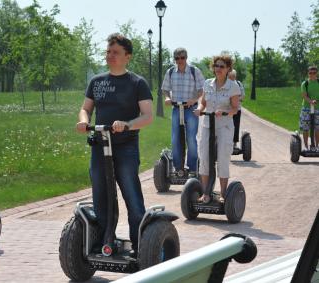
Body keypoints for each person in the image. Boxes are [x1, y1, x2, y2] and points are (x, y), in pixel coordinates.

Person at [76, 33, 153, 253]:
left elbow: (147, 116)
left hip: (125, 147)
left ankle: (141, 246)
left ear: (127, 56)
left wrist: (127, 124)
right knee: (100, 194)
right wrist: (83, 121)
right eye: (108, 52)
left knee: (130, 192)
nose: (110, 56)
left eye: (115, 52)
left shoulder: (137, 83)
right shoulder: (97, 82)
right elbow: (86, 109)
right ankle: (103, 241)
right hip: (100, 145)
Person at [194, 55, 240, 203]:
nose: (218, 69)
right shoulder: (207, 83)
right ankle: (205, 193)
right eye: (216, 66)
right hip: (207, 124)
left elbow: (235, 108)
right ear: (213, 68)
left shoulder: (233, 86)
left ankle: (223, 194)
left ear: (228, 69)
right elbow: (203, 103)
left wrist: (224, 111)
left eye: (222, 66)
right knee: (205, 158)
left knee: (222, 158)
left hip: (224, 126)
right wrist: (199, 109)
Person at [161, 48, 205, 176]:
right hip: (176, 109)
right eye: (177, 58)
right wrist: (168, 98)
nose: (180, 60)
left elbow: (202, 89)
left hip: (190, 109)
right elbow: (165, 89)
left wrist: (194, 99)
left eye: (182, 58)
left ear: (186, 57)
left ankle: (192, 168)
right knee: (175, 138)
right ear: (174, 59)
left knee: (191, 138)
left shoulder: (194, 71)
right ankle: (178, 167)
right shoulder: (170, 72)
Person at [300, 66, 319, 150]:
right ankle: (306, 146)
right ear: (308, 73)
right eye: (310, 73)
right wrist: (311, 101)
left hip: (318, 108)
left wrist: (316, 101)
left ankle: (316, 146)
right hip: (306, 108)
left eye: (314, 73)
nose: (312, 75)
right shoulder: (305, 83)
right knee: (305, 128)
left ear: (317, 73)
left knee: (317, 128)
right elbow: (304, 96)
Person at [228, 69, 245, 149]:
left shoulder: (238, 84)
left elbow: (243, 96)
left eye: (233, 77)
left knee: (235, 126)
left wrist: (237, 99)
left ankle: (234, 143)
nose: (232, 78)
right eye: (230, 77)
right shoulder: (225, 84)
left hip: (236, 109)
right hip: (226, 110)